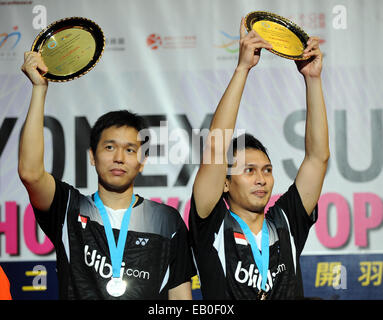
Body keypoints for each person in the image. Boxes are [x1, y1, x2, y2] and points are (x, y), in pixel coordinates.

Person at [18, 52, 195, 300]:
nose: (119, 157)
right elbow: (30, 173)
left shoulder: (167, 220)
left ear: (142, 162)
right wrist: (39, 90)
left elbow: (180, 297)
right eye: (110, 147)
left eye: (130, 150)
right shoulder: (68, 208)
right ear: (92, 155)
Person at [189, 18, 329, 299]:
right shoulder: (211, 225)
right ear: (225, 184)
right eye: (249, 170)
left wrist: (312, 79)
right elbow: (216, 150)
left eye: (266, 170)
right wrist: (242, 69)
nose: (261, 178)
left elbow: (317, 158)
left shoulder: (286, 222)